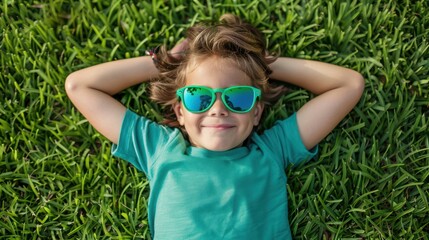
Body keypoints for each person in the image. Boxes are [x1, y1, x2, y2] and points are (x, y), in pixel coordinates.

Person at [65, 14, 364, 239]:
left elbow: (349, 84)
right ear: (180, 111)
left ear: (257, 111)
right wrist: (165, 63)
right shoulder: (160, 149)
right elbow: (79, 86)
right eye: (199, 98)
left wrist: (262, 63)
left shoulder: (271, 150)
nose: (218, 109)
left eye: (239, 97)